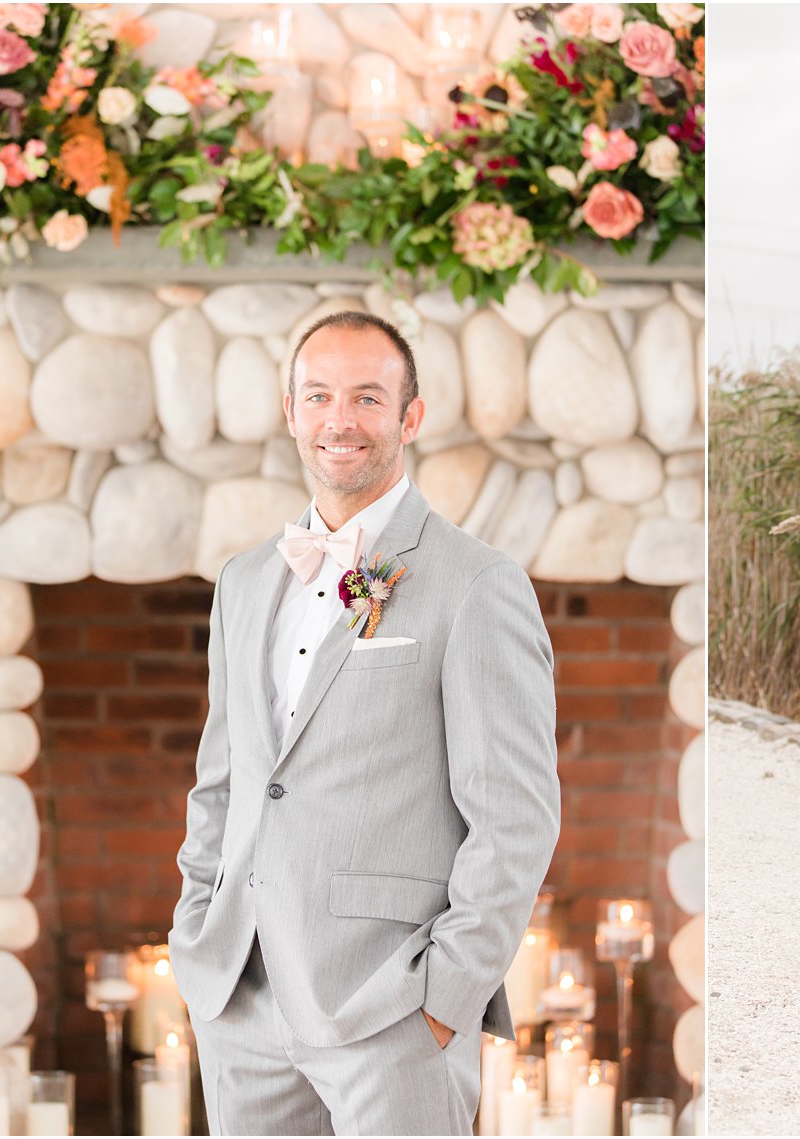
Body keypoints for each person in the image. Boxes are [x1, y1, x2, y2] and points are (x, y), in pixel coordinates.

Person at [168, 311, 561, 1134]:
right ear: (290, 411)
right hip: (239, 1003)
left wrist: (445, 1000)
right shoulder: (241, 583)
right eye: (318, 396)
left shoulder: (477, 584)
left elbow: (516, 818)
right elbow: (226, 779)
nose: (338, 420)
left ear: (409, 417)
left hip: (391, 1013)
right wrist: (194, 932)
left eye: (366, 398)